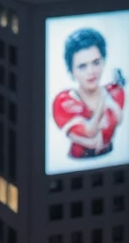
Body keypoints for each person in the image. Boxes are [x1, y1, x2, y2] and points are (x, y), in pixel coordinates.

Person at [52, 27, 126, 161]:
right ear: (71, 71)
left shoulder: (115, 92)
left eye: (96, 62)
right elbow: (89, 132)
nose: (91, 72)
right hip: (75, 163)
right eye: (82, 66)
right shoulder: (64, 101)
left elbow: (119, 120)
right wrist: (103, 103)